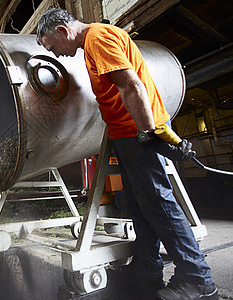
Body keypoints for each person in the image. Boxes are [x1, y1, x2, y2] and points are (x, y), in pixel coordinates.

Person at [36, 8, 218, 300]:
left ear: (62, 31)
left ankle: (198, 279)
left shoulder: (97, 38)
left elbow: (131, 85)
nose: (56, 54)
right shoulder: (93, 41)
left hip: (137, 133)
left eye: (52, 47)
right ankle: (146, 271)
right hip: (128, 135)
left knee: (159, 205)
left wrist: (148, 134)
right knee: (139, 206)